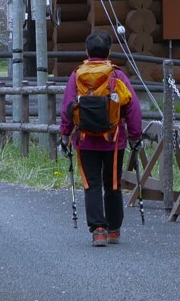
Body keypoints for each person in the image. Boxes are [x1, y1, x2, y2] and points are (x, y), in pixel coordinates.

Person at [60, 30, 143, 247]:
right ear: (109, 52)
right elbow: (132, 107)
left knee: (92, 184)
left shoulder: (77, 75)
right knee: (113, 183)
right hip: (114, 140)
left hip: (85, 139)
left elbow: (68, 107)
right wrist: (135, 136)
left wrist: (64, 134)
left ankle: (98, 230)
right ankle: (114, 229)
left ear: (87, 52)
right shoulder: (117, 76)